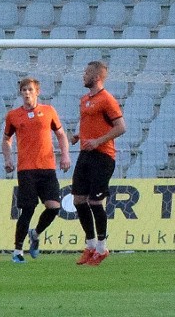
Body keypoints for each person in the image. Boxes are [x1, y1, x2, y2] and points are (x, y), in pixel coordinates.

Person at [2, 77, 71, 263]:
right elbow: (6, 140)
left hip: (47, 168)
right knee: (28, 209)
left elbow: (61, 135)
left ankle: (36, 233)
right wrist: (8, 159)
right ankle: (17, 251)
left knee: (54, 207)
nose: (26, 93)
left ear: (37, 92)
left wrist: (65, 155)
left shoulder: (48, 111)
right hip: (26, 170)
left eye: (30, 89)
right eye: (24, 90)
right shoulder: (13, 115)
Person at [70, 61, 126, 266]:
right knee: (78, 200)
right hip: (85, 155)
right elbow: (92, 124)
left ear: (97, 76)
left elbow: (121, 127)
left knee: (95, 202)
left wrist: (98, 141)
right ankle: (90, 245)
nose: (83, 76)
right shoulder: (85, 99)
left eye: (86, 73)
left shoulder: (107, 99)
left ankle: (102, 247)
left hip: (103, 157)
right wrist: (79, 135)